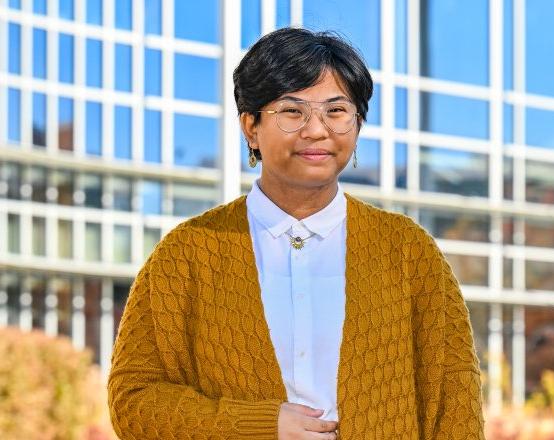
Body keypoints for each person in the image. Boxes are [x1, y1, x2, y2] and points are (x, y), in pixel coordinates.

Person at [108, 27, 485, 439]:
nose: (316, 130)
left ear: (356, 125)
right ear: (250, 126)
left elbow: (455, 402)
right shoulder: (187, 253)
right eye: (292, 111)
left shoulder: (408, 252)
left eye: (336, 111)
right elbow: (134, 399)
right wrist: (258, 426)